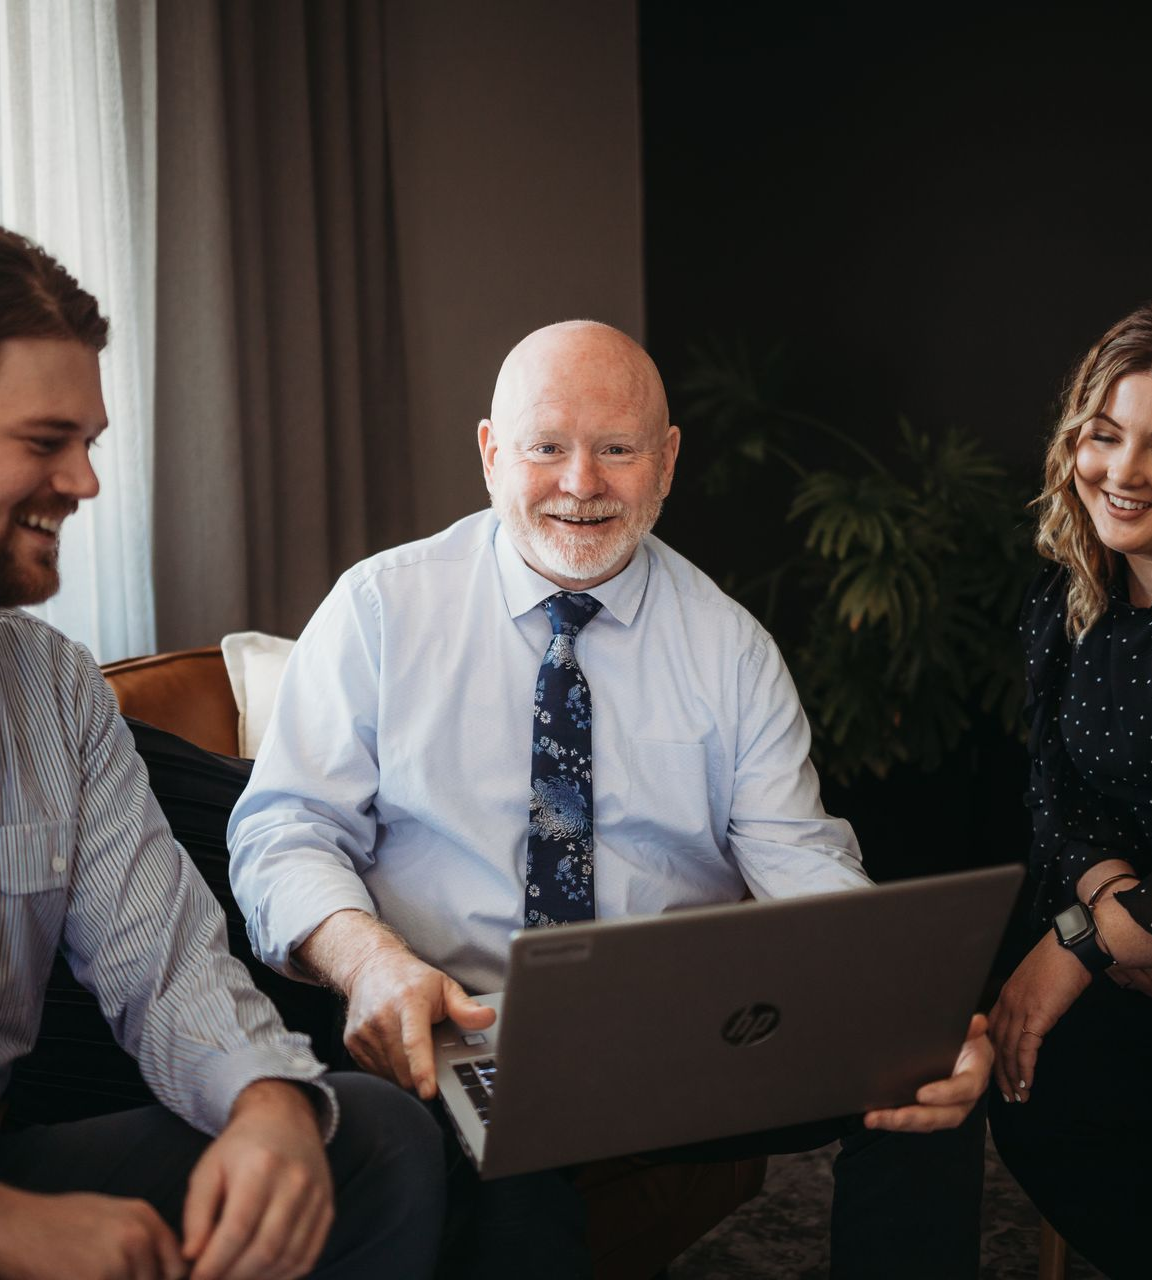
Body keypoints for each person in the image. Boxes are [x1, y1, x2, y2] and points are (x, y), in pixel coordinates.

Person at [230, 319, 994, 1278]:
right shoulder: (380, 610)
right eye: (546, 447)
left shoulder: (731, 648)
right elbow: (282, 832)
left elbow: (801, 861)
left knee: (926, 1085)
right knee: (513, 1200)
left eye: (618, 449)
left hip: (679, 1032)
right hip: (461, 1027)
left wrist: (893, 1005)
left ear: (666, 462)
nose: (581, 484)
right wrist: (371, 963)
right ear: (491, 453)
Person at [0, 227, 445, 1280]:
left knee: (370, 1138)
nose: (85, 481)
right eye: (46, 438)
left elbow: (168, 965)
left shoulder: (55, 688)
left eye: (92, 439)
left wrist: (271, 1101)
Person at [988, 304, 1152, 1279]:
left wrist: (1084, 941)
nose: (1124, 472)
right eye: (1106, 434)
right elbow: (1056, 795)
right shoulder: (1067, 598)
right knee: (1041, 1085)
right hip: (1122, 932)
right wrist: (1106, 908)